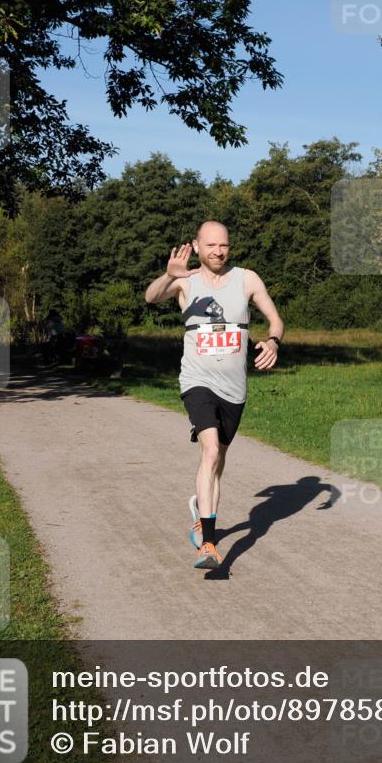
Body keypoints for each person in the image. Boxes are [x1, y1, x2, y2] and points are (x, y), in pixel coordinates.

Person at [144, 220, 284, 569]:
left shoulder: (247, 279)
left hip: (234, 388)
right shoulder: (184, 280)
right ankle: (208, 543)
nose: (218, 251)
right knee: (209, 451)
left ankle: (200, 515)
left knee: (218, 460)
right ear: (197, 245)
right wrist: (169, 276)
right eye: (210, 246)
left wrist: (273, 341)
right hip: (197, 381)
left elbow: (275, 319)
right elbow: (151, 297)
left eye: (223, 245)